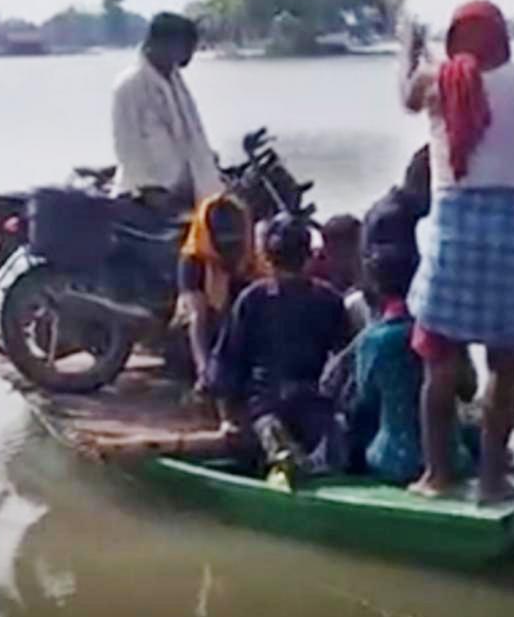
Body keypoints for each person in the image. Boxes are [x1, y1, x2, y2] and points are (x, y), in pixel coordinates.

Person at [401, 0, 514, 502]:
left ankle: (437, 477)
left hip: (451, 237)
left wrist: (409, 49)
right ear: (505, 41)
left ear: (453, 42)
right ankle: (494, 482)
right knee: (504, 363)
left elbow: (405, 95)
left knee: (440, 362)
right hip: (511, 235)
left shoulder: (433, 84)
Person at [205, 213, 353, 477]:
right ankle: (289, 465)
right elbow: (228, 361)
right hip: (268, 404)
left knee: (331, 446)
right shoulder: (255, 300)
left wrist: (227, 417)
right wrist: (228, 421)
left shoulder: (326, 300)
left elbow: (345, 359)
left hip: (309, 402)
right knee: (278, 439)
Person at [352, 245, 473, 484]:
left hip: (395, 460)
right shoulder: (447, 330)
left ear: (376, 289)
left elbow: (365, 397)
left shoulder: (374, 339)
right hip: (454, 458)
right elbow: (469, 389)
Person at [112, 12, 223, 209]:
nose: (191, 52)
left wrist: (211, 175)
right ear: (162, 43)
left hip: (187, 191)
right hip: (148, 197)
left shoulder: (175, 80)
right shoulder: (129, 85)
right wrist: (148, 190)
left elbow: (195, 134)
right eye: (186, 46)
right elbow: (127, 146)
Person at [175, 193, 267, 383]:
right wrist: (204, 369)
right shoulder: (192, 261)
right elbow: (197, 317)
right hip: (205, 330)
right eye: (224, 241)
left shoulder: (251, 258)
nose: (230, 247)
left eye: (235, 240)